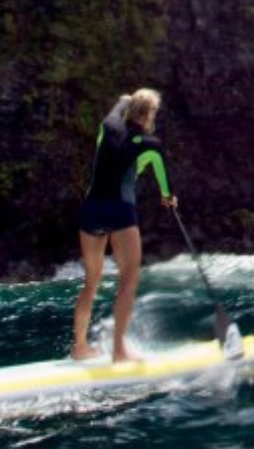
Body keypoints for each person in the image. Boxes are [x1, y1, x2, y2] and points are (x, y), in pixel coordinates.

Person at [71, 87, 177, 361]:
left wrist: (129, 99)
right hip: (120, 210)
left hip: (91, 209)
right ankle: (119, 351)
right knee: (128, 280)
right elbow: (165, 185)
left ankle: (80, 347)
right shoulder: (151, 145)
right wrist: (169, 198)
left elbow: (119, 102)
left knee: (91, 281)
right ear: (150, 114)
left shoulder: (108, 126)